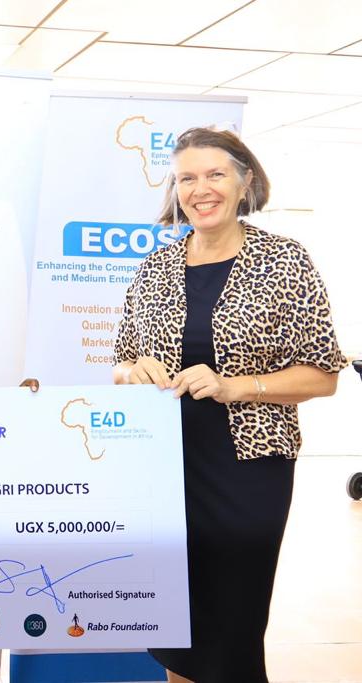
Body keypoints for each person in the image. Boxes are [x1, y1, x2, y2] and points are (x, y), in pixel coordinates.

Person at [113, 127, 345, 683]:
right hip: (165, 470)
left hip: (249, 469)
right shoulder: (155, 266)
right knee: (178, 629)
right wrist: (132, 371)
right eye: (186, 178)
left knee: (233, 626)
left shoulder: (285, 261)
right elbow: (120, 359)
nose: (200, 189)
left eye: (215, 174)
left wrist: (234, 386)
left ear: (245, 182)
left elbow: (323, 376)